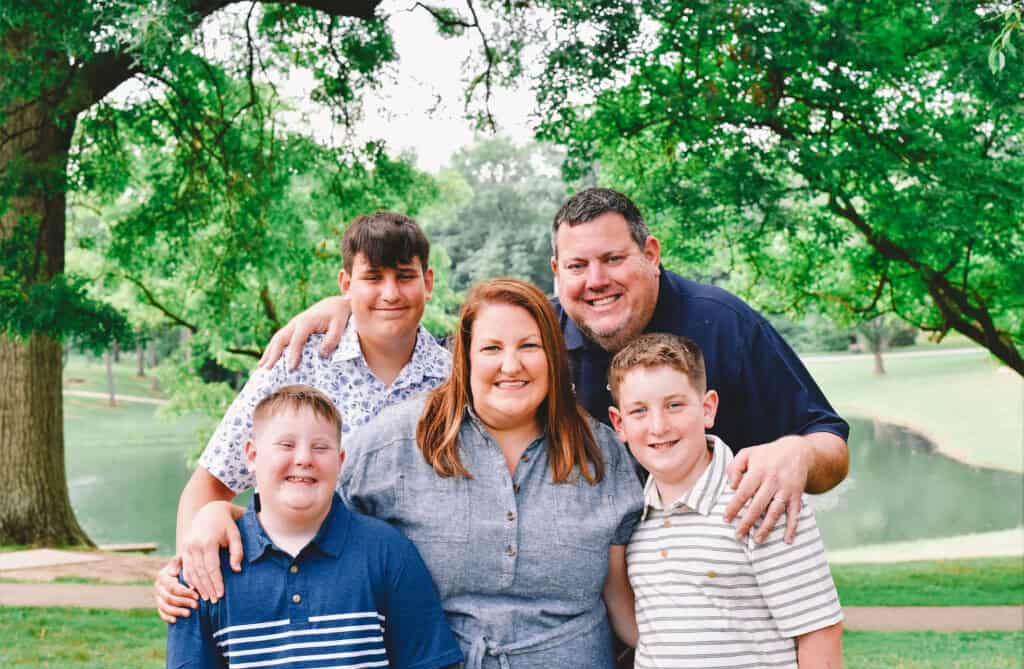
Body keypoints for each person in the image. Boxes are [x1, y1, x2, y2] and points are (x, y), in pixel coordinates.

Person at [166, 279, 643, 669]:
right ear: (466, 358)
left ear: (554, 358)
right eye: (492, 347)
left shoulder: (601, 453)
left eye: (530, 346)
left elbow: (642, 582)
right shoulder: (396, 444)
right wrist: (216, 518)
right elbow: (304, 511)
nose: (511, 365)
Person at [260, 188, 850, 543]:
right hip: (586, 596)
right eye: (577, 266)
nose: (596, 282)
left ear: (650, 255)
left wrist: (797, 453)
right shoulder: (535, 336)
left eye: (614, 259)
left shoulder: (724, 323)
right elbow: (459, 346)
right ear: (556, 271)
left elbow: (830, 443)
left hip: (708, 577)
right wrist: (351, 306)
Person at [158, 210, 451, 618]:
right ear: (346, 284)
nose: (390, 293)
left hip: (417, 611)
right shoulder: (296, 363)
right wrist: (190, 577)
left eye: (404, 276)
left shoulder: (455, 383)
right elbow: (209, 485)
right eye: (373, 278)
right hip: (301, 609)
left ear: (428, 282)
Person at [164, 385, 462, 669]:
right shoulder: (207, 567)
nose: (304, 458)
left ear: (340, 459)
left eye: (320, 447)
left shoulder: (388, 553)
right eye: (286, 446)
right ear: (252, 456)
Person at [607, 334, 844, 669]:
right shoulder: (636, 519)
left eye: (675, 405)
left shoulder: (761, 498)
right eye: (639, 412)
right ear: (619, 425)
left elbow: (819, 635)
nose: (659, 426)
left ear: (708, 408)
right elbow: (643, 632)